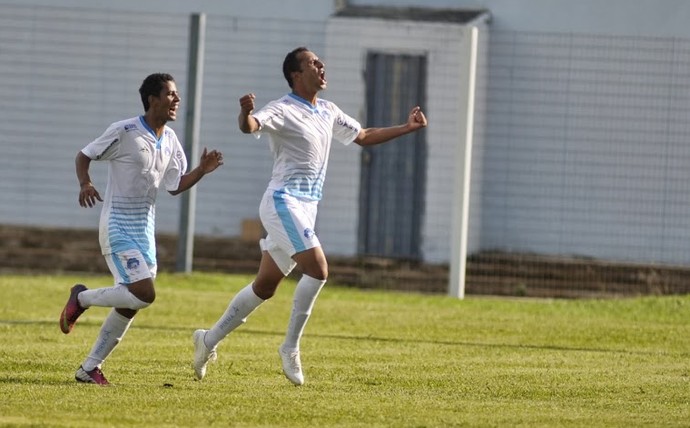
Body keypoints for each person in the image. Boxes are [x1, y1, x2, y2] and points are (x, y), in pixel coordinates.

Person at [192, 47, 427, 386]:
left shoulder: (328, 110)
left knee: (265, 286)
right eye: (313, 63)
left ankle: (207, 340)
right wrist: (244, 113)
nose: (321, 66)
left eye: (320, 62)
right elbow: (251, 126)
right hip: (282, 202)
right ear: (296, 75)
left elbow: (362, 136)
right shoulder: (283, 108)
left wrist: (406, 127)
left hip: (306, 208)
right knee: (318, 269)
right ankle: (290, 347)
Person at [59, 73, 224, 386]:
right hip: (117, 225)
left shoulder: (171, 140)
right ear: (153, 99)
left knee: (130, 304)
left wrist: (202, 170)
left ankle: (89, 368)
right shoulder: (125, 131)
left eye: (177, 95)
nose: (177, 100)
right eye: (171, 95)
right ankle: (81, 299)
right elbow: (84, 155)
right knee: (144, 294)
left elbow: (175, 185)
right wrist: (85, 182)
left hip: (145, 231)